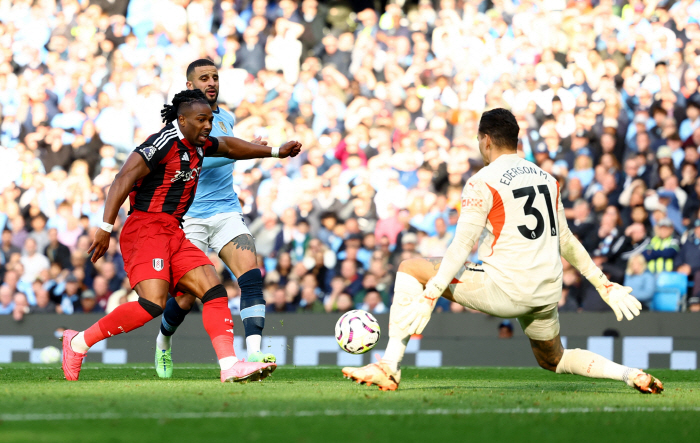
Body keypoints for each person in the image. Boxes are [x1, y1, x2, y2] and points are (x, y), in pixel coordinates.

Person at [341, 109, 663, 394]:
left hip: (505, 289)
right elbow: (566, 240)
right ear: (515, 139)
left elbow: (460, 246)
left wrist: (432, 293)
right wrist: (603, 284)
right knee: (554, 359)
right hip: (546, 291)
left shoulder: (483, 181)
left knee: (411, 267)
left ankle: (389, 367)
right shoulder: (548, 179)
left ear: (485, 141)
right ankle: (629, 374)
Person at [61, 89, 300, 383]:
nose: (208, 126)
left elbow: (228, 147)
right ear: (182, 119)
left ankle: (229, 366)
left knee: (213, 291)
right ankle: (78, 343)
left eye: (210, 120)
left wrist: (276, 152)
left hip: (173, 230)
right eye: (201, 120)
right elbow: (123, 178)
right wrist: (106, 227)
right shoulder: (161, 142)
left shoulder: (198, 142)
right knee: (152, 304)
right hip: (145, 229)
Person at [153, 59, 286, 379]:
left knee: (251, 276)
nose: (211, 82)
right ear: (189, 86)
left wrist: (249, 149)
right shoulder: (179, 123)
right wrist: (248, 150)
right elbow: (207, 156)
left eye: (214, 77)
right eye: (203, 78)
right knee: (184, 298)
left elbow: (228, 151)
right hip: (189, 218)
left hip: (226, 211)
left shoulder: (224, 118)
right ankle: (163, 341)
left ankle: (254, 351)